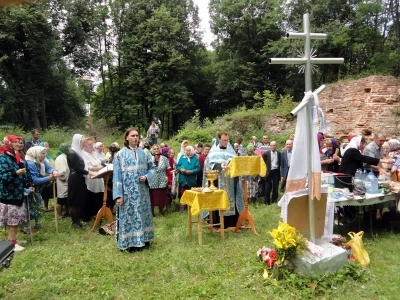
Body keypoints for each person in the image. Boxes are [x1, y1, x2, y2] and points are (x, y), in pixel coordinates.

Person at [113, 128, 156, 252]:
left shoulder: (144, 153)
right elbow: (116, 176)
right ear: (127, 138)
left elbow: (153, 168)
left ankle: (144, 240)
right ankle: (129, 243)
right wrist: (118, 196)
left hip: (142, 193)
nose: (135, 138)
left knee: (142, 215)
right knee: (129, 217)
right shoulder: (120, 155)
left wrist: (147, 177)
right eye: (132, 136)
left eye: (137, 136)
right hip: (127, 194)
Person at [0, 135, 34, 252]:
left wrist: (28, 185)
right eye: (16, 142)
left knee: (15, 219)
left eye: (21, 142)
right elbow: (3, 176)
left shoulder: (18, 156)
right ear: (9, 143)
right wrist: (16, 173)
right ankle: (12, 243)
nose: (20, 144)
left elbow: (25, 173)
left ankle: (13, 240)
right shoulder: (3, 158)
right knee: (12, 220)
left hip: (18, 192)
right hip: (9, 194)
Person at [204, 132, 244, 228]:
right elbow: (210, 165)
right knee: (218, 199)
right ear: (219, 140)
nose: (226, 142)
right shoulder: (213, 152)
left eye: (227, 140)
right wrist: (220, 166)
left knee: (231, 200)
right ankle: (217, 223)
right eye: (224, 140)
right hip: (218, 180)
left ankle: (232, 223)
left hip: (231, 180)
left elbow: (236, 163)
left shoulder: (231, 152)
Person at [25, 146, 59, 233]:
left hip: (38, 188)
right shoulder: (30, 163)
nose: (44, 156)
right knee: (29, 208)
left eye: (45, 153)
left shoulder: (40, 161)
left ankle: (38, 224)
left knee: (38, 204)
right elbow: (34, 180)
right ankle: (26, 228)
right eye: (43, 154)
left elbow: (48, 168)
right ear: (36, 153)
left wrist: (53, 171)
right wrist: (49, 178)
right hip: (30, 187)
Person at [67, 134, 96, 228]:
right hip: (75, 179)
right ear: (78, 142)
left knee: (79, 200)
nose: (83, 145)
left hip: (80, 178)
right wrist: (89, 172)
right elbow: (76, 168)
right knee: (74, 202)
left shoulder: (79, 152)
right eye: (82, 144)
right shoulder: (72, 153)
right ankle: (74, 221)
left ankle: (78, 220)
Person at [83, 138, 105, 222]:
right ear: (84, 146)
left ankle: (97, 213)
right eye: (89, 144)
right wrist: (101, 167)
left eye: (92, 144)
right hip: (91, 178)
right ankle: (90, 214)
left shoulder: (93, 153)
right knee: (91, 195)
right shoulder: (84, 155)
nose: (91, 146)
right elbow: (89, 167)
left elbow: (99, 162)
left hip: (99, 177)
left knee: (99, 195)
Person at [176, 145, 200, 211]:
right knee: (182, 193)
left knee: (191, 193)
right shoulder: (182, 157)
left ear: (191, 151)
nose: (187, 152)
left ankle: (191, 208)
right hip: (183, 178)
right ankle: (182, 208)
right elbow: (177, 166)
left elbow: (198, 168)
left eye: (188, 150)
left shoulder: (195, 158)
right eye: (186, 150)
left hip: (191, 179)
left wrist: (191, 171)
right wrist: (181, 169)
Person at [149, 144, 170, 216]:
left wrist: (169, 180)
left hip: (162, 180)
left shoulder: (164, 159)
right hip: (152, 181)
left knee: (162, 197)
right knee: (152, 197)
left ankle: (161, 211)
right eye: (154, 149)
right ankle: (152, 212)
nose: (156, 150)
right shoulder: (149, 159)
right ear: (152, 150)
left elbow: (168, 169)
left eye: (157, 148)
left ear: (159, 149)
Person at [54, 143, 70, 218]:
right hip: (62, 181)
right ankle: (59, 214)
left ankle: (67, 212)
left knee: (66, 198)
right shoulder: (61, 158)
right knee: (61, 199)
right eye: (68, 148)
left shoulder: (65, 157)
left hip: (67, 180)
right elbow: (62, 171)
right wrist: (64, 179)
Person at [38, 141, 55, 211]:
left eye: (48, 146)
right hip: (45, 176)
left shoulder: (48, 155)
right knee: (45, 192)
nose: (47, 148)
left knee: (49, 192)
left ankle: (47, 206)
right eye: (45, 146)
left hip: (51, 175)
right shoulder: (41, 157)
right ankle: (45, 207)